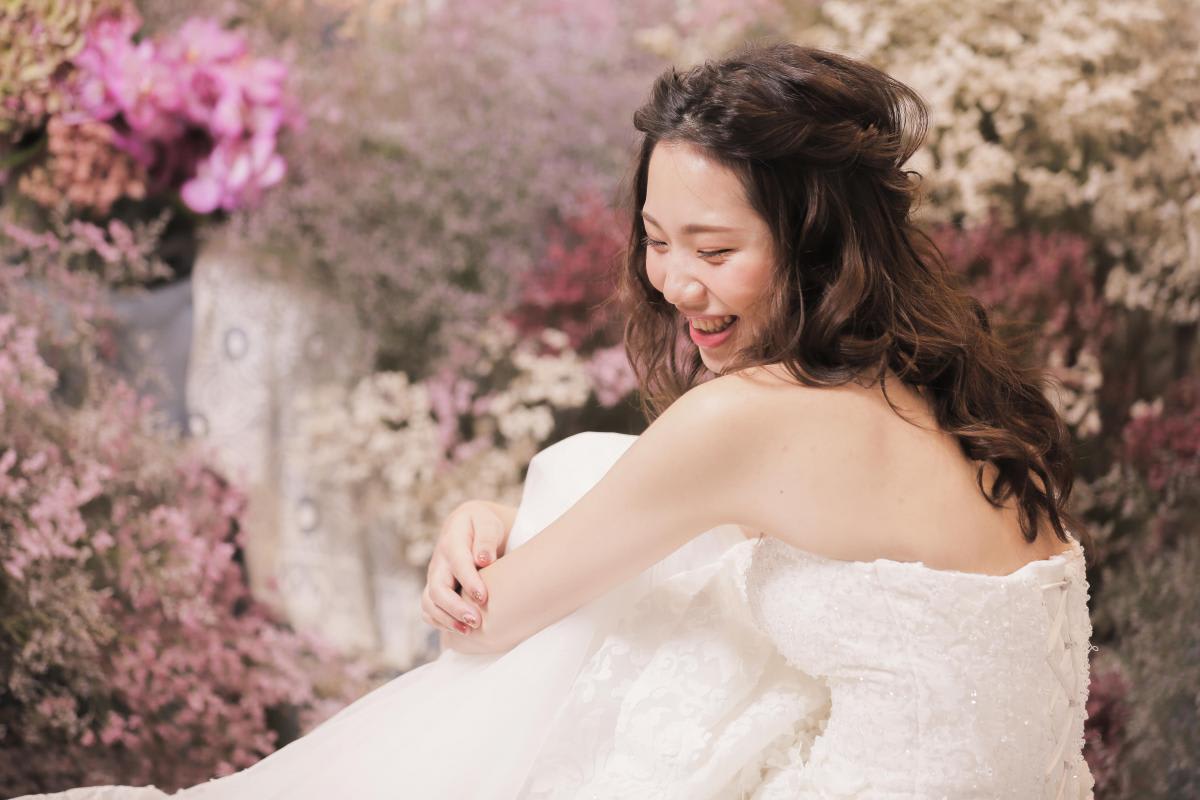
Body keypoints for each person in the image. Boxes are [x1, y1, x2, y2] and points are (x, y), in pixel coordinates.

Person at [16, 40, 1095, 799]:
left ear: (818, 245)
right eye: (657, 239)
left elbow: (484, 621)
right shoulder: (949, 387)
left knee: (585, 498)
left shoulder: (749, 421)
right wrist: (506, 514)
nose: (674, 281)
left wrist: (491, 532)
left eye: (715, 250)